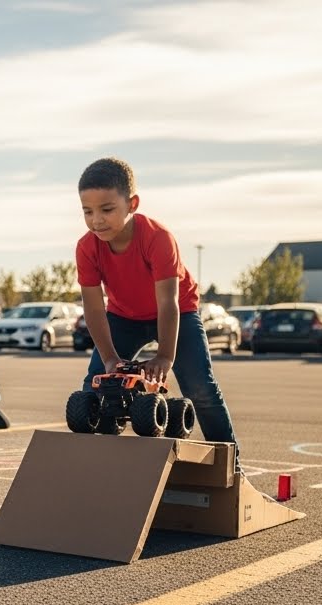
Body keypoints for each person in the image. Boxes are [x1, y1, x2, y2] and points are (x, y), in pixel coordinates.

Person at [75, 157, 239, 458]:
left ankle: (232, 467)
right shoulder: (87, 247)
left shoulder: (157, 238)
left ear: (132, 204)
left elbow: (168, 302)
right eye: (88, 211)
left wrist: (165, 355)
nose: (97, 220)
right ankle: (98, 462)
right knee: (97, 384)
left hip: (178, 312)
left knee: (200, 389)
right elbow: (95, 310)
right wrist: (110, 358)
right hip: (124, 316)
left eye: (107, 209)